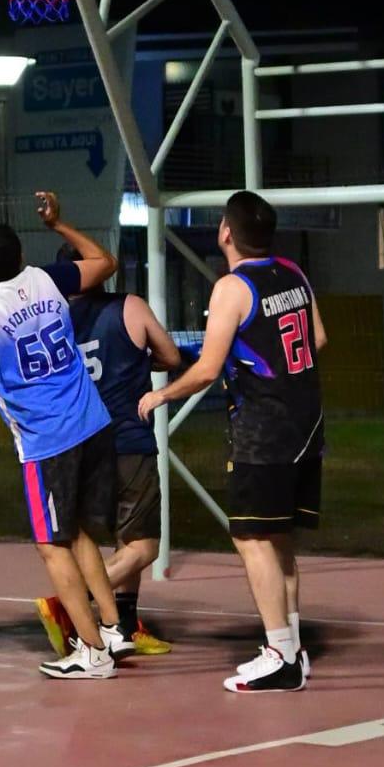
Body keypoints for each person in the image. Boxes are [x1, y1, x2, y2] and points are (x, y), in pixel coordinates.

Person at [0, 191, 129, 679]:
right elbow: (105, 261)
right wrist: (59, 224)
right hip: (92, 422)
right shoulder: (45, 278)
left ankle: (93, 653)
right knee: (78, 532)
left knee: (52, 544)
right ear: (20, 256)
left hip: (47, 439)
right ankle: (114, 629)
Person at [138, 190, 326, 694]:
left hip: (264, 429)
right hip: (307, 422)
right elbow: (319, 340)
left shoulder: (232, 288)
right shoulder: (293, 272)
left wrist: (161, 397)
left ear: (226, 232)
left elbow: (206, 367)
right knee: (279, 539)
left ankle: (280, 654)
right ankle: (293, 648)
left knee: (251, 538)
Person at [34, 252, 184, 658]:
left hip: (78, 444)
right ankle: (71, 603)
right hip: (127, 438)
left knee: (122, 537)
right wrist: (136, 362)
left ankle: (125, 624)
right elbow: (170, 357)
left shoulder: (51, 323)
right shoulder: (127, 307)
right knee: (144, 546)